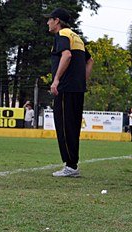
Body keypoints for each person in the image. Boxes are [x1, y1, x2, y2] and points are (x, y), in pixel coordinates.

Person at [45, 7, 93, 177]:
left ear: (57, 21)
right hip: (77, 88)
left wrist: (56, 80)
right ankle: (72, 165)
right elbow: (90, 60)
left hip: (66, 88)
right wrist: (81, 80)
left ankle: (70, 166)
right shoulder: (76, 37)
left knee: (64, 126)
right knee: (73, 126)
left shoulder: (62, 34)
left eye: (50, 19)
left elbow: (66, 55)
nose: (48, 22)